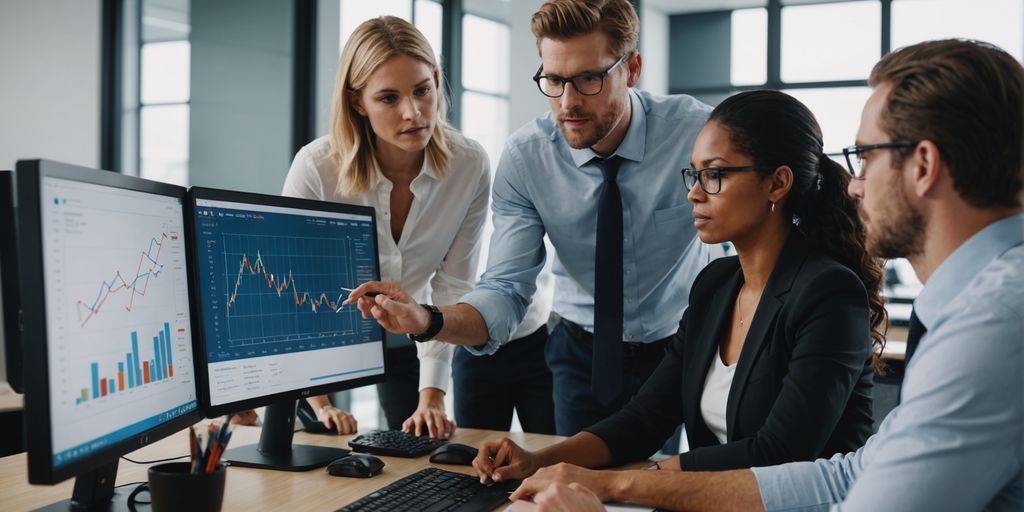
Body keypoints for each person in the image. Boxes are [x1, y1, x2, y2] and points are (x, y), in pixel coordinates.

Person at [508, 38, 1024, 511]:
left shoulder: (991, 323)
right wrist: (558, 465)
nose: (855, 184)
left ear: (924, 165)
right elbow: (847, 475)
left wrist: (626, 486)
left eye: (865, 157)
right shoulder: (718, 284)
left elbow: (790, 457)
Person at [473, 89, 884, 488]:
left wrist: (621, 482)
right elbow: (647, 416)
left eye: (715, 174)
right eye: (695, 173)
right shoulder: (716, 284)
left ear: (777, 183)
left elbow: (779, 452)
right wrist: (540, 460)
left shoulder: (829, 293)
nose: (694, 192)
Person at [346, 0, 715, 440]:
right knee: (582, 491)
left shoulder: (696, 134)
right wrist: (428, 321)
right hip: (581, 353)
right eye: (554, 80)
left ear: (631, 69)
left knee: (687, 482)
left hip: (684, 343)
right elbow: (506, 288)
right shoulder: (527, 157)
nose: (569, 102)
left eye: (589, 79)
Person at [281, 16, 487, 437]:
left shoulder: (469, 165)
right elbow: (290, 290)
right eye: (389, 98)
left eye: (422, 91)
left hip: (415, 333)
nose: (413, 113)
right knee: (321, 452)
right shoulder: (317, 169)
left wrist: (432, 397)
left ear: (436, 82)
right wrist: (317, 403)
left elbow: (453, 286)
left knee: (415, 450)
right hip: (327, 337)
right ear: (358, 102)